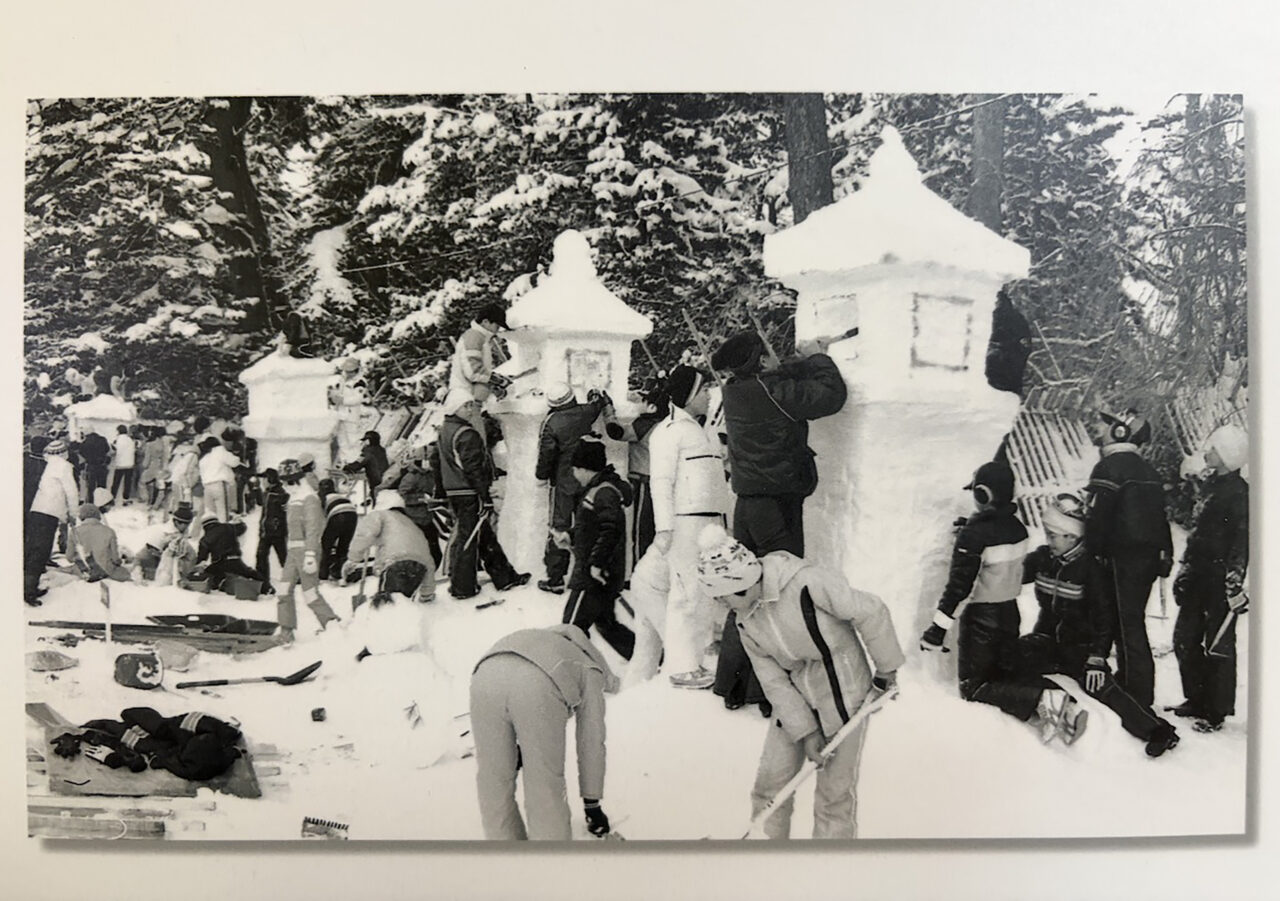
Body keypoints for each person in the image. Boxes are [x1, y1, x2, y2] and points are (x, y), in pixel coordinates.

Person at [695, 524, 904, 839]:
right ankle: (767, 855)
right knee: (769, 788)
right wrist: (806, 732)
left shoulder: (806, 583)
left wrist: (886, 669)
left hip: (844, 690)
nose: (721, 606)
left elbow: (871, 611)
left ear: (741, 585)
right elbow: (773, 680)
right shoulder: (745, 621)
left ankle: (829, 862)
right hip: (796, 695)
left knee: (834, 796)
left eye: (721, 598)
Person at [710, 331, 847, 715]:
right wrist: (819, 358)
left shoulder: (737, 389)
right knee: (780, 595)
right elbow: (831, 397)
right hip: (776, 507)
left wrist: (802, 360)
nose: (775, 354)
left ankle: (732, 684)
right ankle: (767, 692)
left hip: (748, 505)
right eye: (768, 351)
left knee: (744, 592)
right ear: (760, 361)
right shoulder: (772, 392)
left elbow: (780, 377)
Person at [920, 462, 1090, 741]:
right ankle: (1063, 703)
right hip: (1009, 613)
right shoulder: (1018, 528)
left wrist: (937, 630)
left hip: (982, 621)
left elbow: (960, 588)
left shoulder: (975, 536)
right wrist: (972, 529)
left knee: (975, 687)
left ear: (983, 494)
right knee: (1002, 674)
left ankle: (1045, 699)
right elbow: (996, 550)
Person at [1020, 493, 1178, 755]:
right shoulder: (1043, 558)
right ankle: (1057, 704)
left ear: (1072, 536)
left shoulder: (1091, 570)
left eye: (1053, 535)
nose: (1048, 541)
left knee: (1101, 687)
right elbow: (1012, 572)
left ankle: (1157, 731)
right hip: (1046, 641)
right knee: (1009, 659)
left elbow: (1105, 619)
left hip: (1080, 650)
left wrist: (1096, 658)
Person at [628, 366, 729, 688]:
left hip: (708, 523)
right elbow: (660, 482)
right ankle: (682, 667)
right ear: (689, 394)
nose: (709, 394)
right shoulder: (669, 431)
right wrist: (664, 528)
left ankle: (694, 658)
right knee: (686, 595)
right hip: (685, 523)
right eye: (703, 389)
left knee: (702, 592)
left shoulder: (701, 430)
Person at [469, 623, 619, 840]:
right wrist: (592, 803)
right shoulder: (591, 669)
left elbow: (511, 685)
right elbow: (591, 742)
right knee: (544, 782)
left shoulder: (543, 638)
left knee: (493, 777)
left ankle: (503, 849)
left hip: (484, 675)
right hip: (537, 683)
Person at [1083, 407, 1173, 709]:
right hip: (1145, 560)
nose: (1098, 429)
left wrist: (1093, 552)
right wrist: (1165, 554)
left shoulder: (1109, 468)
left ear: (1119, 431)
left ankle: (1137, 698)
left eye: (1105, 424)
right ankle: (1133, 687)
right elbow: (1161, 518)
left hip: (1121, 559)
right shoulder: (1148, 470)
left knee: (1126, 625)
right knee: (1131, 623)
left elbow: (1097, 518)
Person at [1170, 424, 1249, 734]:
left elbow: (1241, 542)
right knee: (1185, 638)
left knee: (1218, 645)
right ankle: (1196, 698)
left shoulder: (1240, 494)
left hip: (1219, 580)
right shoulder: (1210, 485)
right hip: (1197, 575)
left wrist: (1234, 582)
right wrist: (1185, 569)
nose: (1207, 453)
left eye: (1214, 449)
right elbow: (1196, 533)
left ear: (1228, 455)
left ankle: (1216, 710)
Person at [437, 390, 529, 600]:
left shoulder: (445, 430)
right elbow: (474, 469)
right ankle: (462, 587)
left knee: (482, 533)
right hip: (469, 492)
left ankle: (505, 577)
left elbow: (437, 462)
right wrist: (484, 497)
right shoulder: (466, 434)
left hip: (456, 491)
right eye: (466, 405)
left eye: (471, 404)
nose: (470, 409)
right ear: (454, 407)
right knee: (469, 537)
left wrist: (441, 491)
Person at [561, 440, 635, 660]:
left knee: (571, 629)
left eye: (575, 469)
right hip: (601, 573)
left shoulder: (603, 493)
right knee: (606, 624)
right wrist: (570, 536)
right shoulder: (599, 491)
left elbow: (611, 530)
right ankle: (650, 658)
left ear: (585, 468)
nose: (574, 474)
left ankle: (576, 669)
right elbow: (592, 527)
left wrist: (596, 564)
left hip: (594, 576)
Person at [535, 383, 609, 594]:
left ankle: (556, 578)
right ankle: (589, 575)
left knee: (559, 527)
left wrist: (541, 476)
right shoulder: (585, 412)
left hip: (563, 482)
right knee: (586, 525)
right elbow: (597, 404)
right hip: (585, 480)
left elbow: (546, 454)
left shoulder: (551, 423)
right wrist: (597, 396)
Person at [603, 378, 668, 570]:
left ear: (652, 407)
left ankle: (640, 572)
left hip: (644, 481)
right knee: (655, 530)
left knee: (641, 531)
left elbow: (616, 432)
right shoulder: (664, 422)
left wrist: (607, 409)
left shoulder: (645, 424)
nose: (638, 403)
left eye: (643, 400)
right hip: (658, 480)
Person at [274, 458, 341, 642]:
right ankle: (286, 630)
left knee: (310, 593)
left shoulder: (309, 498)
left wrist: (310, 554)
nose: (284, 486)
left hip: (306, 552)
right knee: (283, 590)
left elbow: (313, 528)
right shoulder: (293, 498)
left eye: (287, 482)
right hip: (293, 552)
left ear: (296, 480)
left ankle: (332, 624)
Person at [346, 489, 437, 607]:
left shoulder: (380, 515)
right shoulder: (412, 525)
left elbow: (365, 535)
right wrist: (427, 592)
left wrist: (353, 558)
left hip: (395, 563)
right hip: (419, 568)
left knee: (387, 605)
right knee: (403, 605)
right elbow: (427, 559)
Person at [379, 444, 443, 568]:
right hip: (414, 517)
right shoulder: (411, 477)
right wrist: (421, 498)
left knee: (434, 549)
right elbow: (403, 495)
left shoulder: (431, 475)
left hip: (427, 516)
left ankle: (428, 569)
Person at [449, 302, 509, 403]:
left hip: (470, 395)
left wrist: (493, 385)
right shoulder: (474, 337)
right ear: (485, 321)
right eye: (497, 326)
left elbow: (479, 372)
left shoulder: (480, 337)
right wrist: (496, 380)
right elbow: (473, 371)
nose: (498, 330)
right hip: (465, 398)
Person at [195, 513, 268, 593]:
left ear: (204, 526)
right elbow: (242, 528)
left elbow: (202, 558)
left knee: (209, 572)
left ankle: (221, 583)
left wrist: (196, 568)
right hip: (236, 560)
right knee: (249, 572)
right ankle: (266, 588)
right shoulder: (229, 527)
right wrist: (240, 521)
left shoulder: (204, 539)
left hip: (220, 563)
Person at [71, 503, 132, 582]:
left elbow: (70, 557)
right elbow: (115, 558)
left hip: (83, 570)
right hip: (106, 569)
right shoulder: (109, 531)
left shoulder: (74, 532)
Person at [319, 479, 359, 581]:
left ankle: (323, 573)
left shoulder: (321, 499)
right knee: (343, 545)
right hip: (352, 515)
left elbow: (322, 519)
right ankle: (341, 571)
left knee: (326, 544)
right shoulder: (339, 496)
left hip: (337, 515)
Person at [197, 435, 241, 522]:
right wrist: (237, 457)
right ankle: (223, 528)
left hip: (207, 487)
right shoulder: (220, 451)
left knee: (210, 514)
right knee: (223, 513)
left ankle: (212, 529)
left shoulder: (204, 458)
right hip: (219, 485)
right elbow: (234, 462)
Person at [255, 468, 290, 580]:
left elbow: (286, 511)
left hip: (277, 532)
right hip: (265, 531)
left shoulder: (281, 494)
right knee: (261, 555)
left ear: (270, 479)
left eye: (264, 479)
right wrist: (256, 489)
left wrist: (279, 526)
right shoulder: (267, 492)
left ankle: (293, 576)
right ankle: (262, 579)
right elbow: (260, 503)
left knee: (283, 555)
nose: (263, 481)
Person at [343, 430, 390, 504]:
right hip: (385, 477)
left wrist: (347, 467)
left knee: (376, 498)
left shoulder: (368, 452)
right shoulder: (381, 450)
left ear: (369, 441)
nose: (364, 443)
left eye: (365, 440)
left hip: (376, 480)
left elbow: (358, 464)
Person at [79, 429, 111, 500]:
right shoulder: (103, 439)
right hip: (102, 465)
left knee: (91, 487)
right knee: (102, 486)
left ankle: (91, 502)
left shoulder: (84, 442)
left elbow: (81, 452)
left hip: (91, 466)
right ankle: (102, 502)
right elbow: (107, 450)